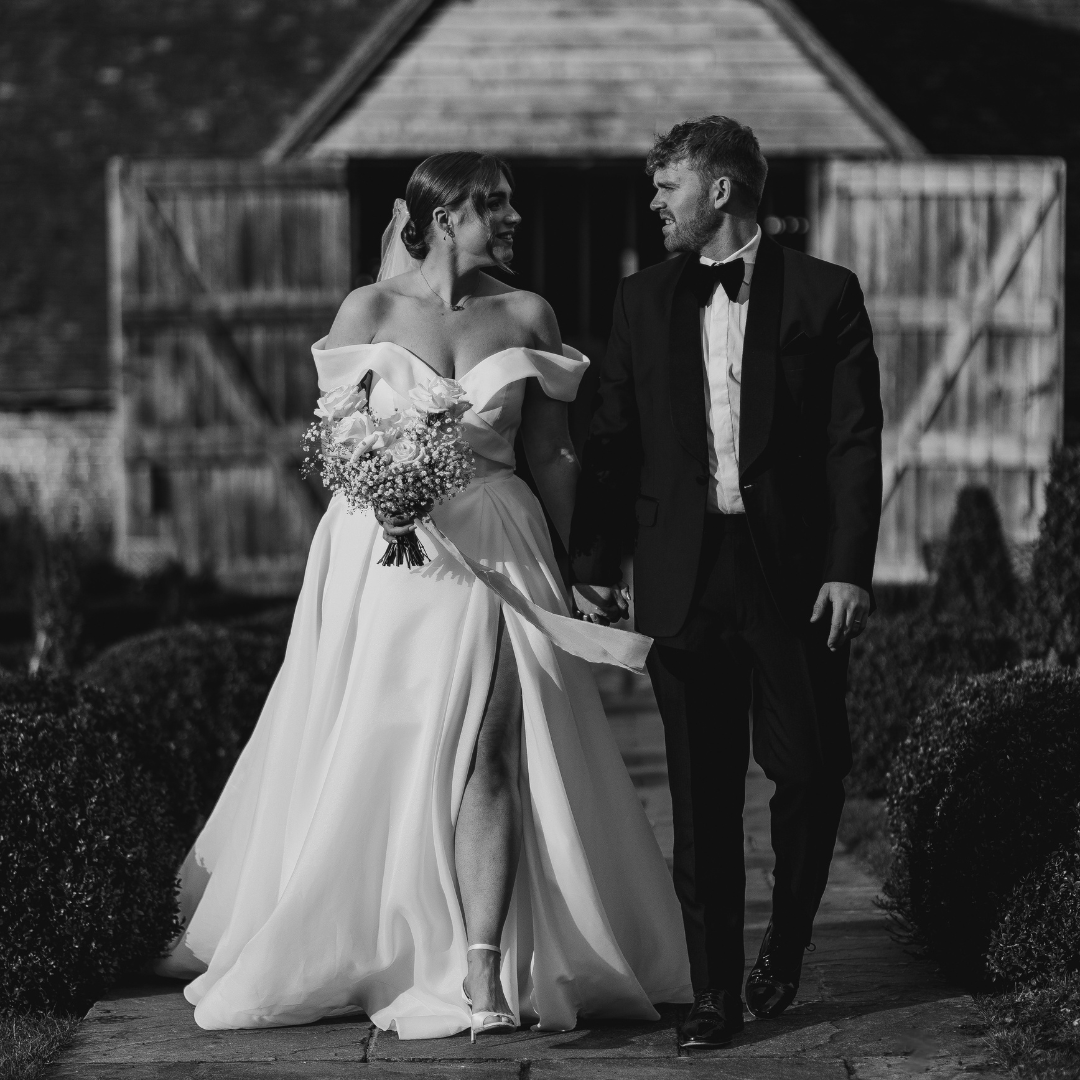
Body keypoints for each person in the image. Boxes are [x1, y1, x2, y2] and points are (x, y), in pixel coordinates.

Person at [155, 151, 691, 1039]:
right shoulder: (367, 312)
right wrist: (380, 481)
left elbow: (553, 453)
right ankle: (372, 932)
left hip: (501, 552)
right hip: (387, 559)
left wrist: (573, 567)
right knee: (382, 747)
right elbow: (335, 439)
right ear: (443, 218)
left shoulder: (528, 313)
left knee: (496, 743)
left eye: (513, 204)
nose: (515, 219)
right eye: (496, 205)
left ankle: (483, 972)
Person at [570, 116, 883, 1049]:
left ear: (720, 191)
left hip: (793, 577)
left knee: (813, 773)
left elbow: (852, 441)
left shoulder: (827, 294)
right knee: (701, 801)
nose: (656, 203)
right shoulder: (640, 299)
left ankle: (784, 947)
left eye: (669, 186)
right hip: (682, 575)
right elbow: (613, 438)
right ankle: (716, 998)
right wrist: (592, 563)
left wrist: (849, 568)